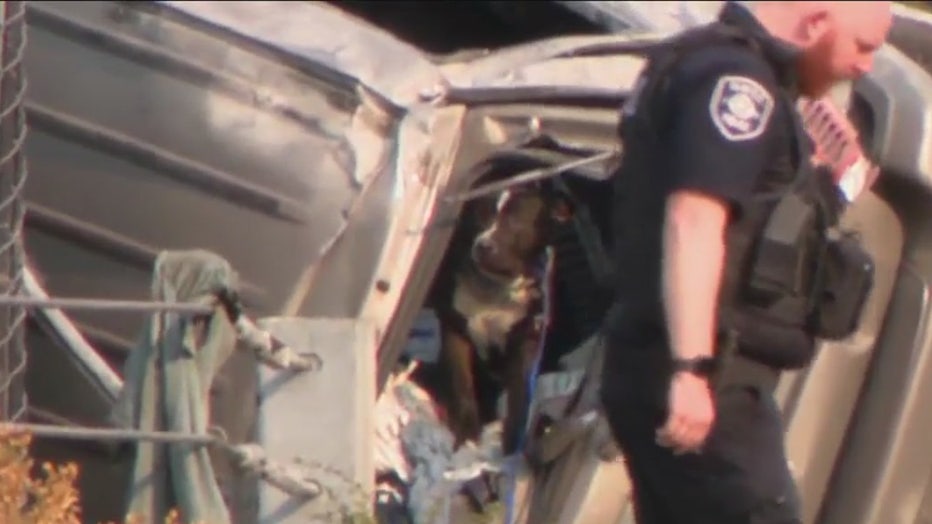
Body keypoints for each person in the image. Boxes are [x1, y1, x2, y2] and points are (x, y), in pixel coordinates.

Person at [599, 2, 892, 523]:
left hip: (682, 372)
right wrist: (693, 369)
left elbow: (758, 234)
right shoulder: (736, 81)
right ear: (816, 23)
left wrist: (830, 189)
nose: (866, 66)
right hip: (711, 381)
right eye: (862, 46)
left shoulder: (713, 65)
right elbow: (693, 218)